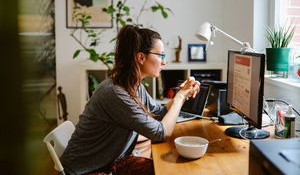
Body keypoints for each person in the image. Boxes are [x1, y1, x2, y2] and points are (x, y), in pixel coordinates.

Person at [61, 25, 200, 175]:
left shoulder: (132, 85)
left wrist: (182, 93)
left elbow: (159, 113)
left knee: (166, 169)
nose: (164, 62)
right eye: (161, 55)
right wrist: (179, 97)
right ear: (141, 57)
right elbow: (161, 133)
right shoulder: (115, 93)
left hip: (109, 162)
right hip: (86, 171)